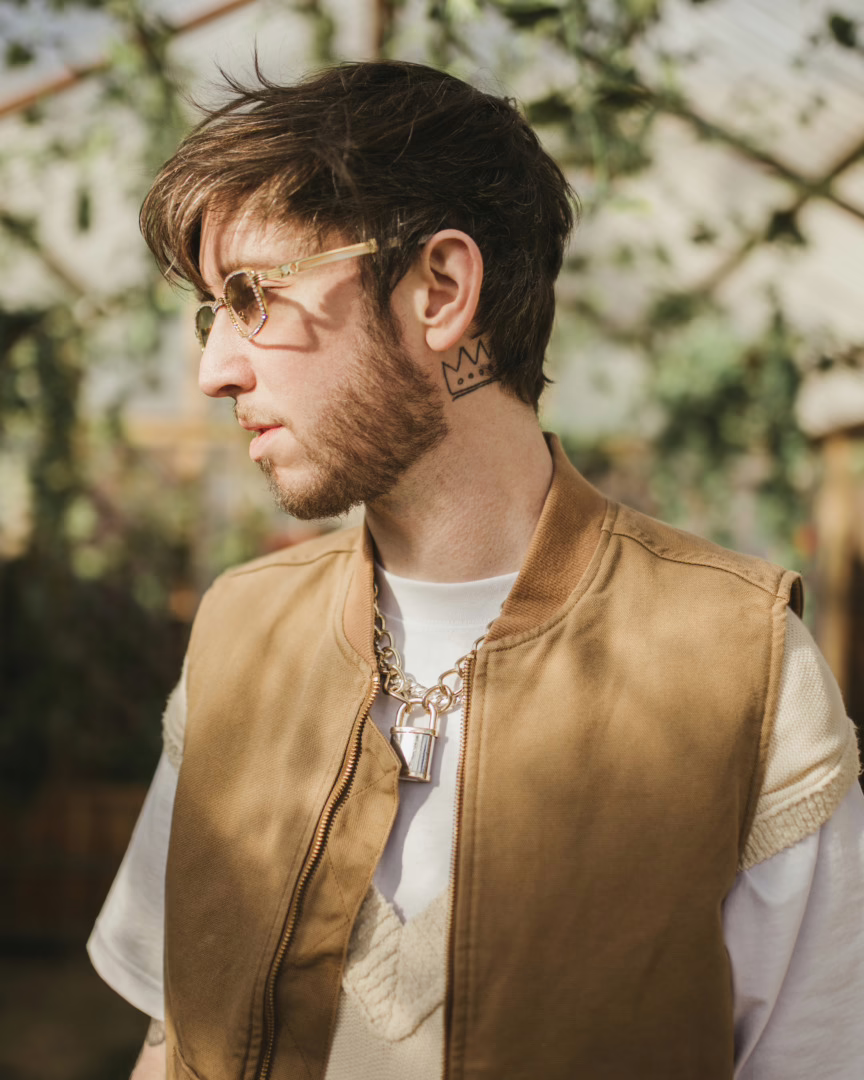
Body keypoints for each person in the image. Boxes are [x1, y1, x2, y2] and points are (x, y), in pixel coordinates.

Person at [88, 60, 864, 1080]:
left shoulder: (742, 664)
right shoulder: (241, 631)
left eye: (251, 295)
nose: (214, 369)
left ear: (440, 290)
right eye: (211, 311)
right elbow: (172, 1038)